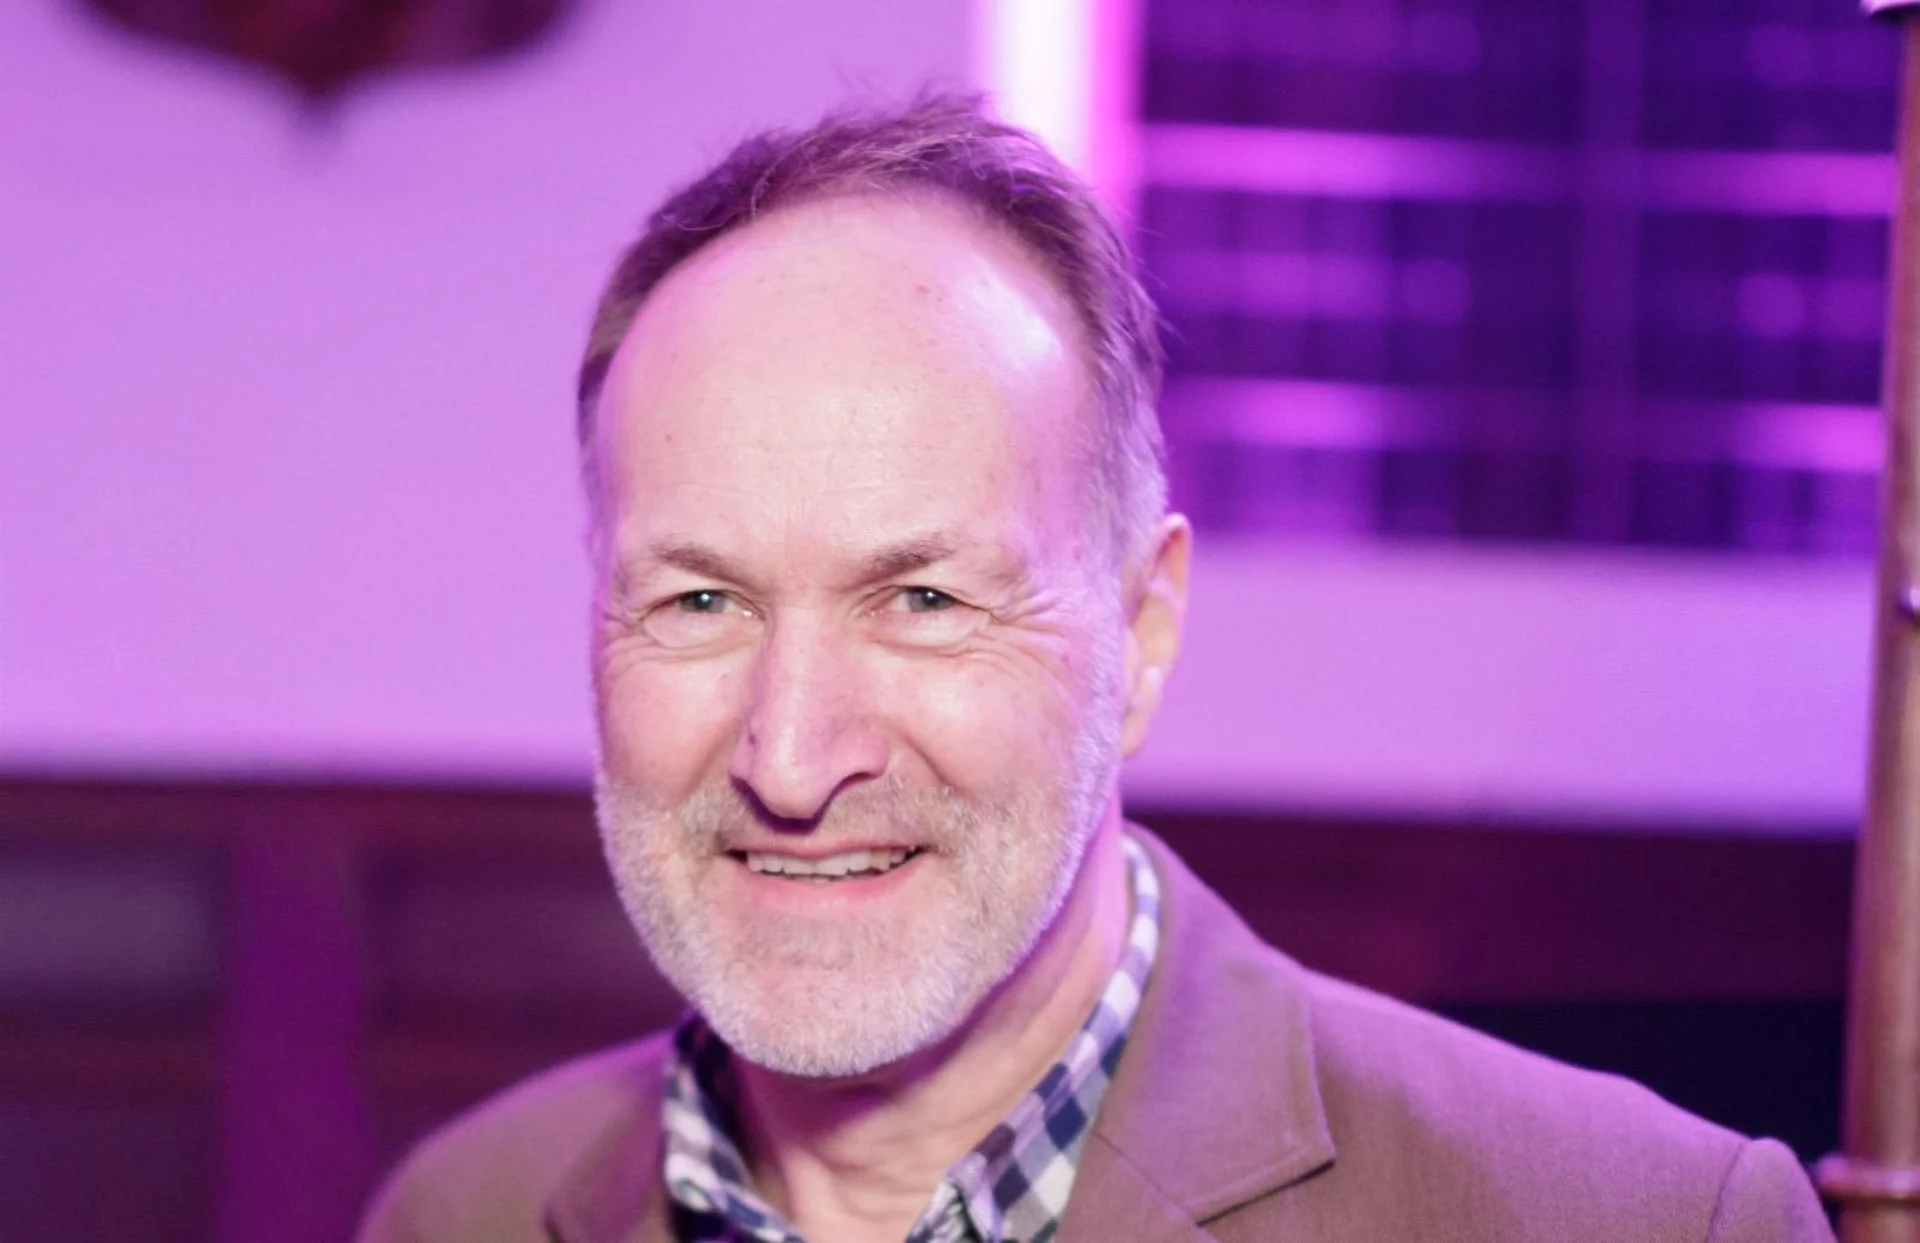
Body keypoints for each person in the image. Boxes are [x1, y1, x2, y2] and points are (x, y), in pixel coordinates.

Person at [355, 94, 1833, 1243]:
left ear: (1140, 635)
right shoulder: (465, 1209)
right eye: (698, 601)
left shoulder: (1631, 1220)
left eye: (924, 596)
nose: (792, 758)